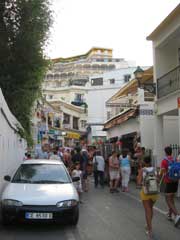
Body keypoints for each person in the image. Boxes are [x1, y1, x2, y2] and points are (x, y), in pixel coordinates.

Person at [138, 156, 159, 239]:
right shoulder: (155, 169)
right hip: (154, 193)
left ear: (144, 161)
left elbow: (139, 182)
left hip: (146, 193)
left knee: (147, 211)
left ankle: (150, 230)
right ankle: (148, 225)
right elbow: (158, 180)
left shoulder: (142, 170)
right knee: (151, 209)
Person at [160, 146, 180, 226]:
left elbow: (162, 172)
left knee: (168, 199)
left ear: (165, 152)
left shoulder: (164, 161)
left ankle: (177, 215)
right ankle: (169, 214)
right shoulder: (174, 159)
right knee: (171, 198)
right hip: (175, 181)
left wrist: (158, 177)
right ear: (171, 152)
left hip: (168, 181)